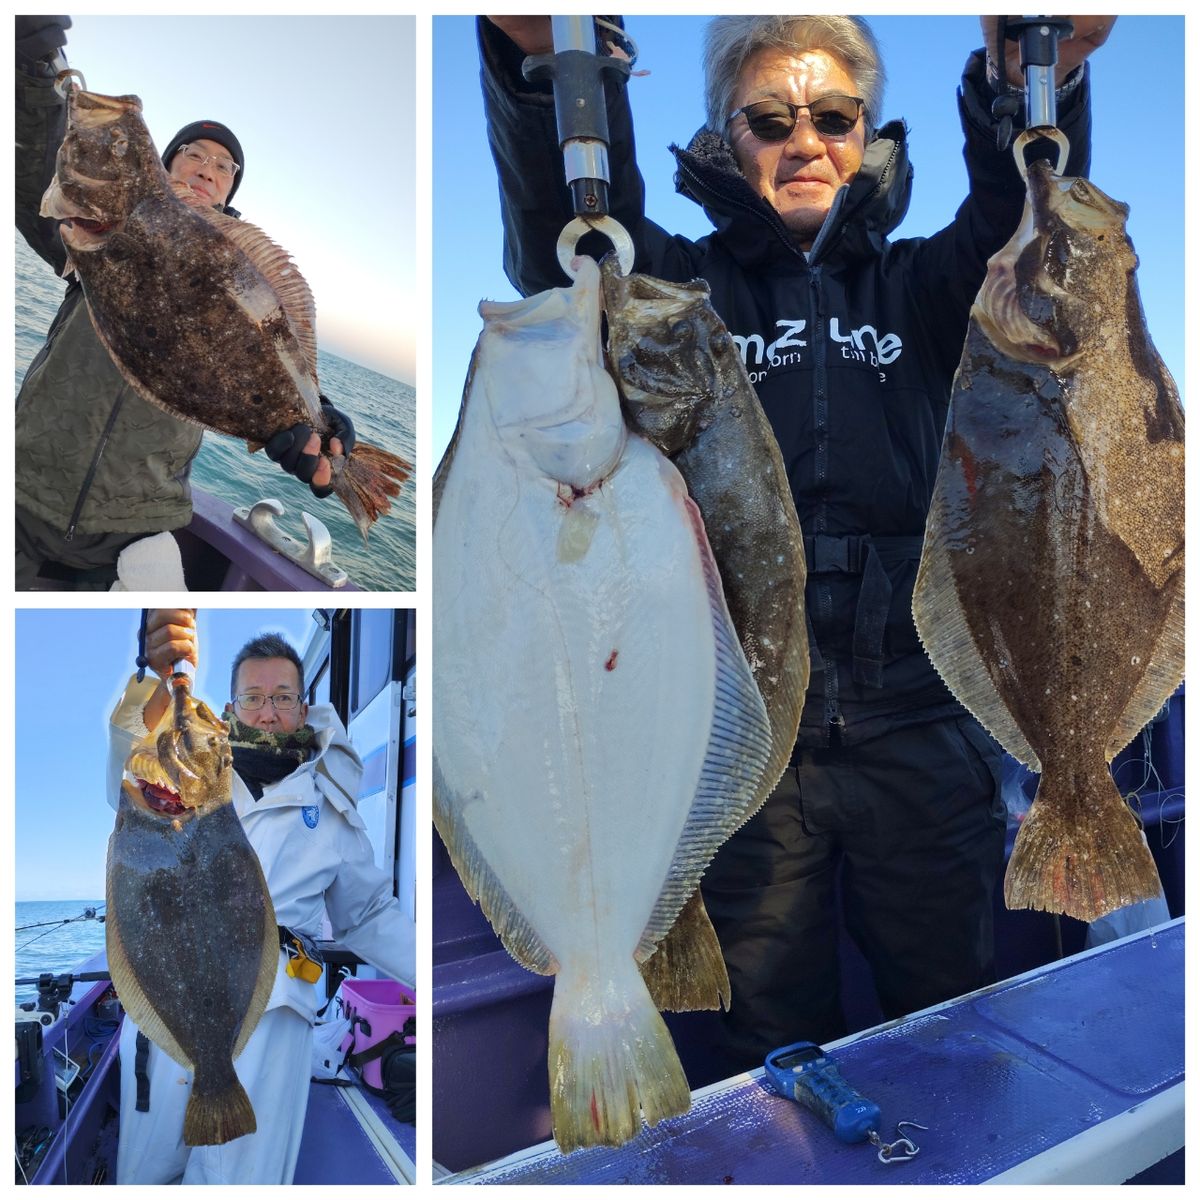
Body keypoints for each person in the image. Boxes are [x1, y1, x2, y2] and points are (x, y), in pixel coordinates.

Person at [478, 14, 1114, 1079]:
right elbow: (573, 229)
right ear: (729, 141)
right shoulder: (677, 294)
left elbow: (1025, 224)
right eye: (769, 120)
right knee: (769, 1046)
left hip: (922, 721)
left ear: (867, 133)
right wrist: (546, 71)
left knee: (951, 1021)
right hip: (739, 734)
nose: (804, 141)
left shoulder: (926, 286)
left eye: (833, 116)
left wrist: (1027, 82)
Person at [15, 16, 355, 590]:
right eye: (193, 154)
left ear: (229, 191)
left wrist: (317, 418)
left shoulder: (239, 281)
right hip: (22, 492)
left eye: (224, 166)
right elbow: (33, 175)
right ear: (163, 168)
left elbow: (263, 349)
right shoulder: (92, 239)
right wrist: (30, 70)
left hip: (133, 532)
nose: (207, 168)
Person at [105, 609, 415, 1184]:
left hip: (274, 1014)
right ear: (231, 708)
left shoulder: (330, 807)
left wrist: (436, 978)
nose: (268, 711)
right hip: (168, 1001)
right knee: (147, 1171)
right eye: (252, 698)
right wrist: (158, 676)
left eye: (282, 697)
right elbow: (128, 762)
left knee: (243, 1180)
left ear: (304, 707)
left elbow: (368, 913)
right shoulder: (183, 769)